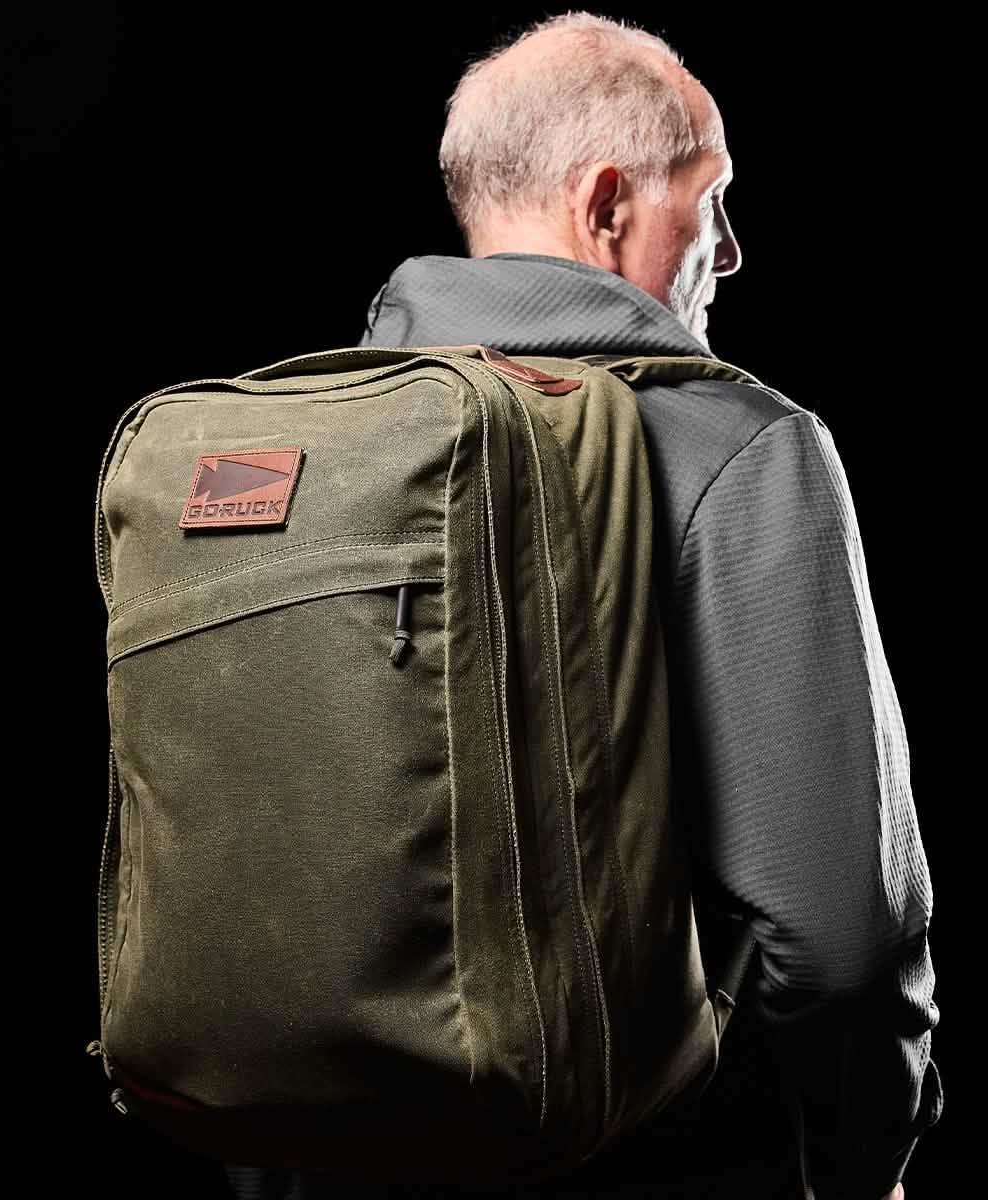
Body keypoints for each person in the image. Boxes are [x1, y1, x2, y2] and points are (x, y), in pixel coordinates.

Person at [226, 12, 942, 1200]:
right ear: (607, 205)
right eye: (711, 201)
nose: (734, 248)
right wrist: (865, 1164)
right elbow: (840, 949)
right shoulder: (739, 446)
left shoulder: (291, 449)